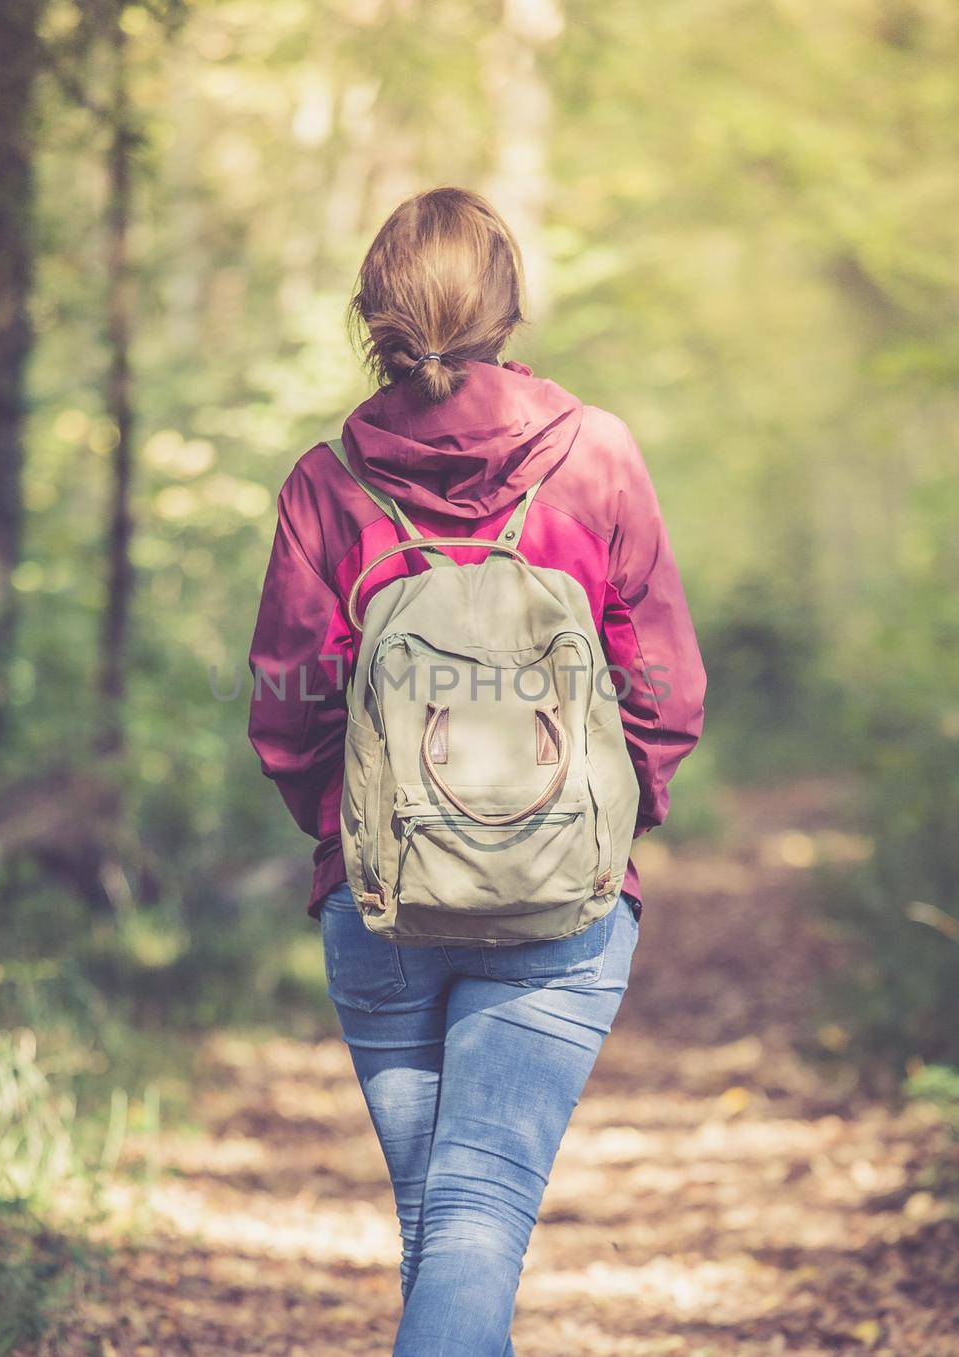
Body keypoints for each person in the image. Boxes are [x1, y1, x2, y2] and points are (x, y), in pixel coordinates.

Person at [247, 185, 705, 1355]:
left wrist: (347, 832)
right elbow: (662, 684)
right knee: (472, 1223)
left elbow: (292, 706)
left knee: (445, 1228)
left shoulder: (327, 480)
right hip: (562, 905)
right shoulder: (593, 453)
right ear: (507, 306)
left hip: (383, 899)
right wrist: (611, 815)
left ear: (375, 312)